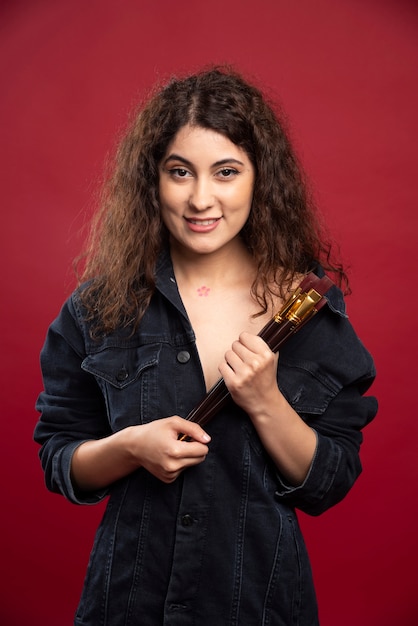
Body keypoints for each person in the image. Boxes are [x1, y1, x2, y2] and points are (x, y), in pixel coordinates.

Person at [34, 66, 377, 626]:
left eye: (225, 172)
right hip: (126, 606)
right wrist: (129, 448)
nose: (200, 198)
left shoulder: (305, 310)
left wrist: (266, 400)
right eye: (179, 172)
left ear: (259, 179)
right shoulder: (100, 307)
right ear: (154, 180)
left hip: (259, 605)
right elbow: (59, 456)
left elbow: (329, 482)